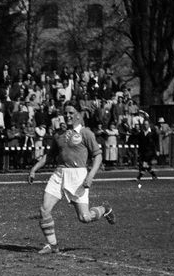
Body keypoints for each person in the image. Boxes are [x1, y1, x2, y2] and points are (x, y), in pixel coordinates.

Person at [27, 104, 115, 254]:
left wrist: (90, 176)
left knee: (85, 217)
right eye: (65, 113)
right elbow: (49, 155)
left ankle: (104, 209)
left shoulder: (86, 133)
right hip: (59, 174)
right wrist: (34, 169)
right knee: (44, 209)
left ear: (78, 115)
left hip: (78, 177)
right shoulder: (58, 134)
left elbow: (98, 156)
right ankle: (52, 245)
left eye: (71, 113)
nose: (68, 115)